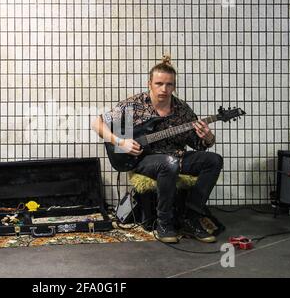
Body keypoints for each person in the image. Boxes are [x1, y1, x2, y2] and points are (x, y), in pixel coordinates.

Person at [91, 55, 223, 243]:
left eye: (169, 85)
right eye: (159, 83)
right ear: (150, 84)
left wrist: (208, 137)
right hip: (144, 159)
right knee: (168, 164)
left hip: (177, 156)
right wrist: (121, 142)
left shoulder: (181, 109)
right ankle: (164, 223)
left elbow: (198, 143)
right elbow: (98, 123)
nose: (164, 89)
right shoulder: (134, 105)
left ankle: (190, 216)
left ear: (174, 86)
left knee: (214, 160)